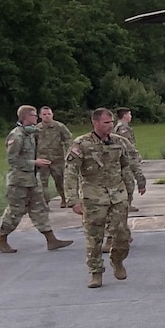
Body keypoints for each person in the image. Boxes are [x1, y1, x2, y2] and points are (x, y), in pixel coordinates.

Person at [65, 107, 142, 288]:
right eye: (107, 122)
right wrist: (73, 200)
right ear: (96, 123)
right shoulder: (81, 144)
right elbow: (70, 173)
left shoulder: (118, 142)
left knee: (122, 233)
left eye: (112, 122)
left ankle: (117, 259)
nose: (111, 125)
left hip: (117, 195)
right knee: (94, 237)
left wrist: (135, 185)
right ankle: (95, 272)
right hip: (94, 197)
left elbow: (125, 166)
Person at [0, 105, 72, 254]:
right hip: (19, 182)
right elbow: (12, 160)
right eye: (34, 116)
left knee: (39, 208)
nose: (37, 118)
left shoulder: (29, 134)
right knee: (15, 211)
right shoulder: (16, 136)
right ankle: (1, 239)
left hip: (31, 180)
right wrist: (34, 163)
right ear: (26, 117)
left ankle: (51, 240)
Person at [36, 105, 73, 207]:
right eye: (44, 114)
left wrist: (68, 152)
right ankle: (45, 203)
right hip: (42, 160)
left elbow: (68, 138)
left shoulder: (59, 126)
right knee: (43, 184)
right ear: (40, 116)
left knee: (60, 181)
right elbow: (32, 143)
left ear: (52, 115)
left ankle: (65, 199)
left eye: (49, 114)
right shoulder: (36, 129)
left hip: (57, 159)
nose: (47, 116)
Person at [113, 108, 143, 216]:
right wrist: (135, 155)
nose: (131, 116)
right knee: (129, 182)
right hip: (127, 158)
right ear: (125, 115)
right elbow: (126, 144)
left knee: (127, 181)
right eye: (129, 114)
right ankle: (127, 204)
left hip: (125, 157)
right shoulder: (123, 128)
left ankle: (127, 203)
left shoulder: (121, 127)